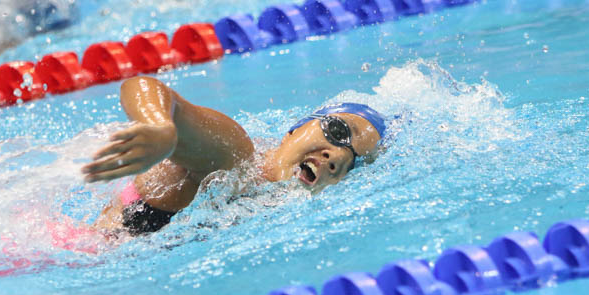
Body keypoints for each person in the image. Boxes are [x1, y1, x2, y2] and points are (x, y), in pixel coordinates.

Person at [82, 76, 386, 236]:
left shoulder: (264, 199)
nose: (337, 157)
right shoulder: (236, 157)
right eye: (337, 131)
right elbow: (144, 85)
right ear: (296, 128)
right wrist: (159, 126)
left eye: (354, 161)